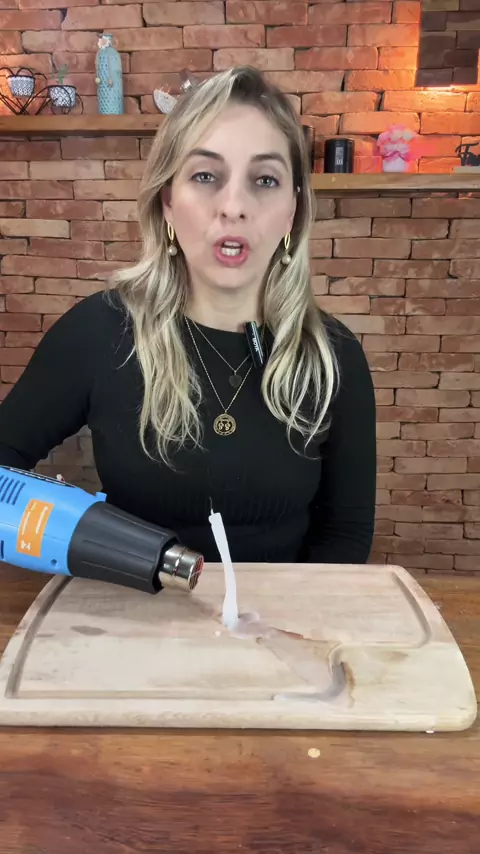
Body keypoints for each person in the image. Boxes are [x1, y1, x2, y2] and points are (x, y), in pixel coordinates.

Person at [0, 66, 377, 565]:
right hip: (132, 610)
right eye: (205, 176)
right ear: (168, 203)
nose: (234, 206)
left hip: (282, 613)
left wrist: (285, 614)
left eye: (265, 179)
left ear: (292, 211)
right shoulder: (97, 332)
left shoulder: (334, 355)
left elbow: (346, 535)